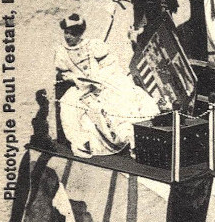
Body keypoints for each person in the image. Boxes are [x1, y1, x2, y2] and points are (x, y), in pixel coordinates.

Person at [54, 13, 160, 158]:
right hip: (80, 88)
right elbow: (63, 74)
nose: (68, 37)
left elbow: (109, 65)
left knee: (120, 100)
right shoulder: (62, 52)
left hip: (103, 82)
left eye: (72, 33)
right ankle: (84, 142)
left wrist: (99, 79)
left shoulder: (93, 45)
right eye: (66, 32)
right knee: (69, 106)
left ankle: (130, 139)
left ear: (80, 34)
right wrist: (76, 79)